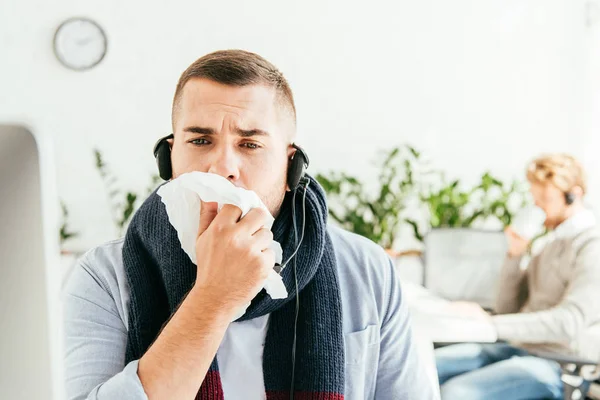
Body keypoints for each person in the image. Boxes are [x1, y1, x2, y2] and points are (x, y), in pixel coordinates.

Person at [63, 50, 436, 400]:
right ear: (169, 159)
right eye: (200, 140)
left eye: (250, 144)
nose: (223, 167)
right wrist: (212, 299)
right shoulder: (103, 276)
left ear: (292, 168)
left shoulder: (366, 268)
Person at [435, 153, 600, 400]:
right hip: (515, 348)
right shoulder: (548, 241)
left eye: (544, 199)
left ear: (573, 195)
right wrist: (515, 255)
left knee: (457, 393)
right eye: (535, 199)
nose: (538, 207)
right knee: (423, 365)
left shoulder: (591, 244)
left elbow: (570, 322)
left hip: (558, 363)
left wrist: (490, 324)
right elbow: (507, 308)